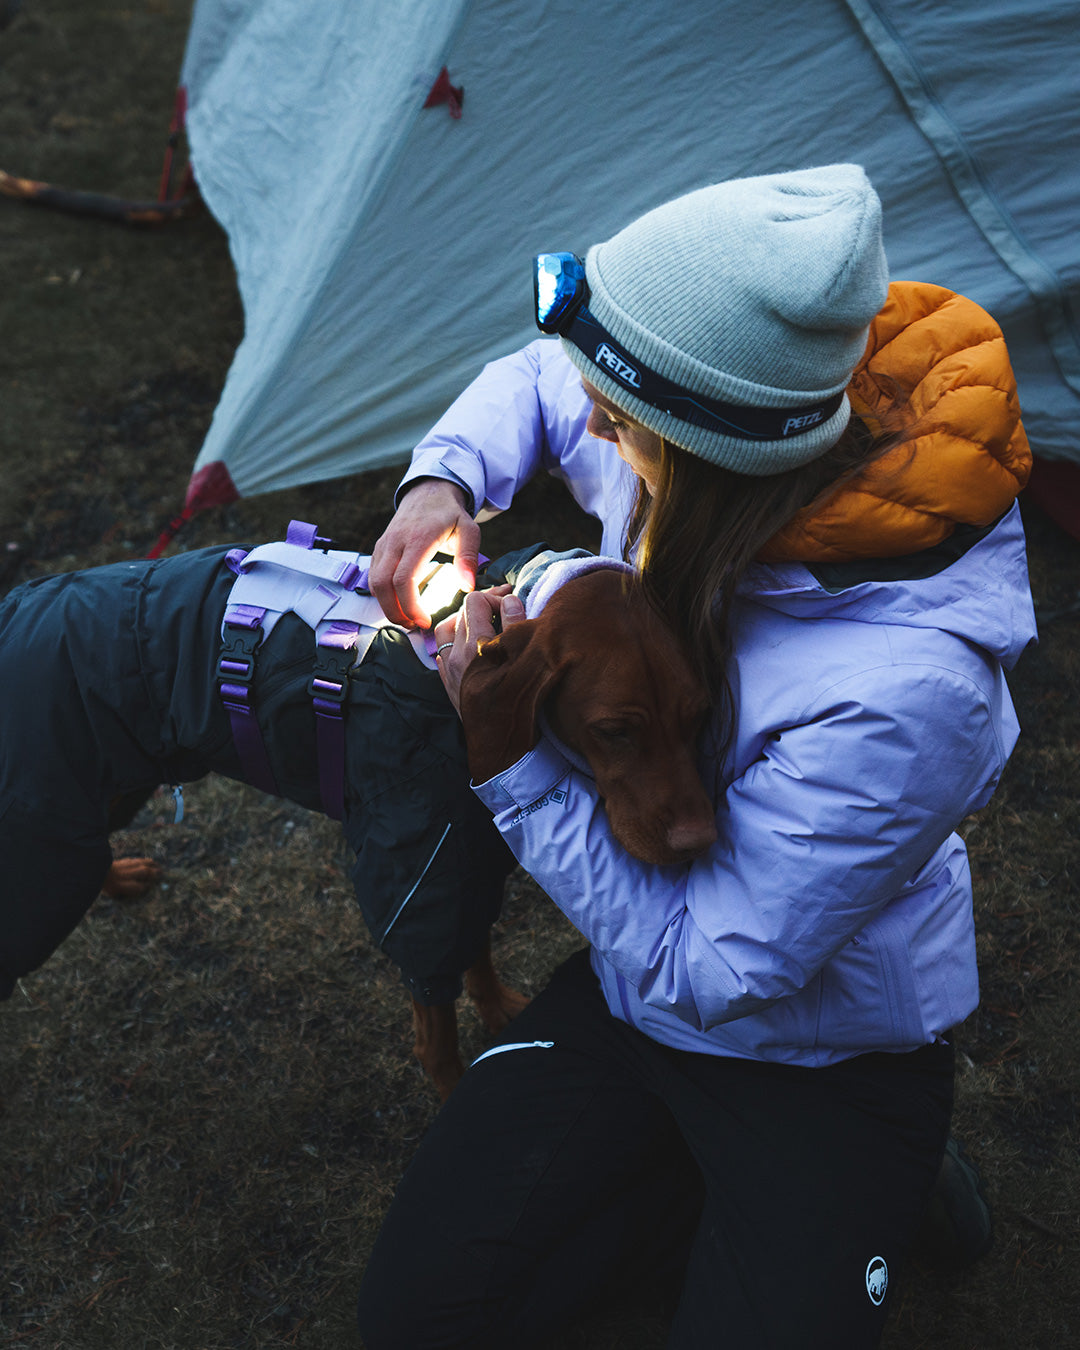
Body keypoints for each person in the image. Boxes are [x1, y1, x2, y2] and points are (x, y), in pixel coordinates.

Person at [357, 164, 1034, 1348]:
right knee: (422, 1318)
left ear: (714, 454)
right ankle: (722, 1200)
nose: (595, 428)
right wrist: (444, 476)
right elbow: (551, 387)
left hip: (821, 1051)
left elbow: (712, 960)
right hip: (633, 1007)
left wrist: (512, 767)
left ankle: (876, 1175)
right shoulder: (713, 438)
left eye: (622, 424)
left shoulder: (910, 692)